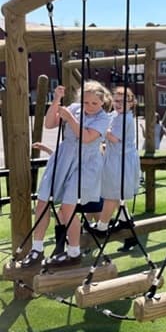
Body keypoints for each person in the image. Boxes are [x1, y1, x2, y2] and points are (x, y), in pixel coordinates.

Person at [20, 82, 110, 268]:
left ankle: (73, 253)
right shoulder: (75, 108)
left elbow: (86, 138)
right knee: (42, 203)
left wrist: (70, 118)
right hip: (63, 158)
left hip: (85, 164)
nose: (89, 106)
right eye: (86, 102)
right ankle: (36, 249)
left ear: (102, 102)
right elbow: (50, 123)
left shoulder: (103, 118)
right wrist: (56, 100)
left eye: (94, 103)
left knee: (66, 211)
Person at [87, 86, 140, 237]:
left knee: (111, 194)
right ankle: (125, 221)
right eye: (116, 101)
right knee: (116, 193)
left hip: (121, 160)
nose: (118, 104)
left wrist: (100, 129)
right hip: (114, 157)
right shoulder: (115, 115)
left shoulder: (126, 119)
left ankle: (102, 227)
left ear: (131, 103)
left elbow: (114, 138)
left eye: (123, 101)